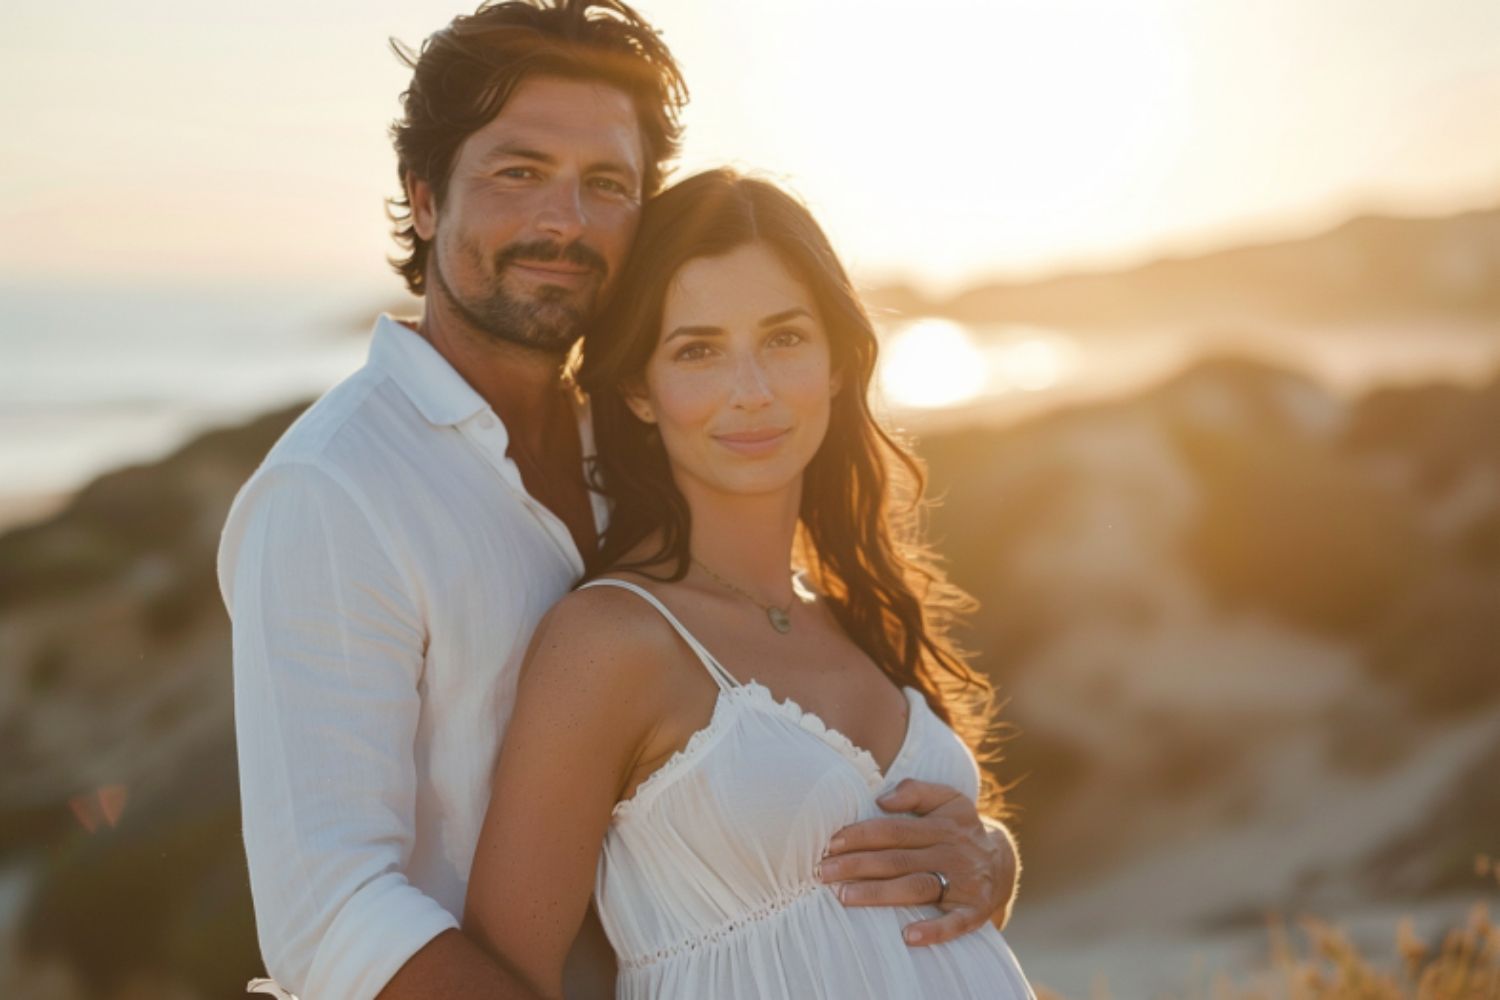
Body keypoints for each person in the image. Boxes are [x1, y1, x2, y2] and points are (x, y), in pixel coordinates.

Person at [219, 3, 1019, 999]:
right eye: (518, 173)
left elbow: (780, 745)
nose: (566, 221)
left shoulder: (650, 438)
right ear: (424, 199)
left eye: (606, 184)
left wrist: (986, 851)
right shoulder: (334, 489)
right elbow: (333, 914)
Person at [463, 169, 1033, 999]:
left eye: (785, 338)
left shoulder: (856, 616)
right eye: (698, 350)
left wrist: (995, 861)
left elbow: (909, 922)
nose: (753, 391)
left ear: (838, 361)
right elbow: (506, 974)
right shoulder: (613, 642)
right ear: (638, 390)